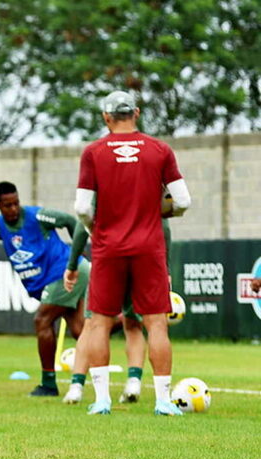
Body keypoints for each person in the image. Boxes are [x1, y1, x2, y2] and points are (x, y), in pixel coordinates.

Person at [70, 90, 191, 416]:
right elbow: (182, 201)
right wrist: (161, 214)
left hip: (108, 247)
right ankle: (164, 401)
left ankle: (102, 400)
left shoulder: (93, 152)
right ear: (136, 113)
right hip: (149, 246)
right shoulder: (160, 150)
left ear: (106, 117)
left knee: (98, 323)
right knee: (156, 324)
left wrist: (97, 230)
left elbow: (82, 207)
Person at [0, 181, 88, 397]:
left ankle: (48, 384)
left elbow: (72, 221)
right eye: (7, 205)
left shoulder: (38, 216)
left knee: (42, 321)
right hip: (56, 277)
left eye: (16, 203)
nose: (13, 209)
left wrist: (75, 255)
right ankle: (125, 321)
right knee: (81, 330)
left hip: (63, 273)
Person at [62, 218, 172, 405]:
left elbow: (82, 221)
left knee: (93, 326)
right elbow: (165, 224)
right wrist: (166, 266)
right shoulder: (149, 188)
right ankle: (137, 384)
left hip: (108, 257)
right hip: (142, 258)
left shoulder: (103, 188)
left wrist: (72, 265)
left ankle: (79, 389)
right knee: (141, 324)